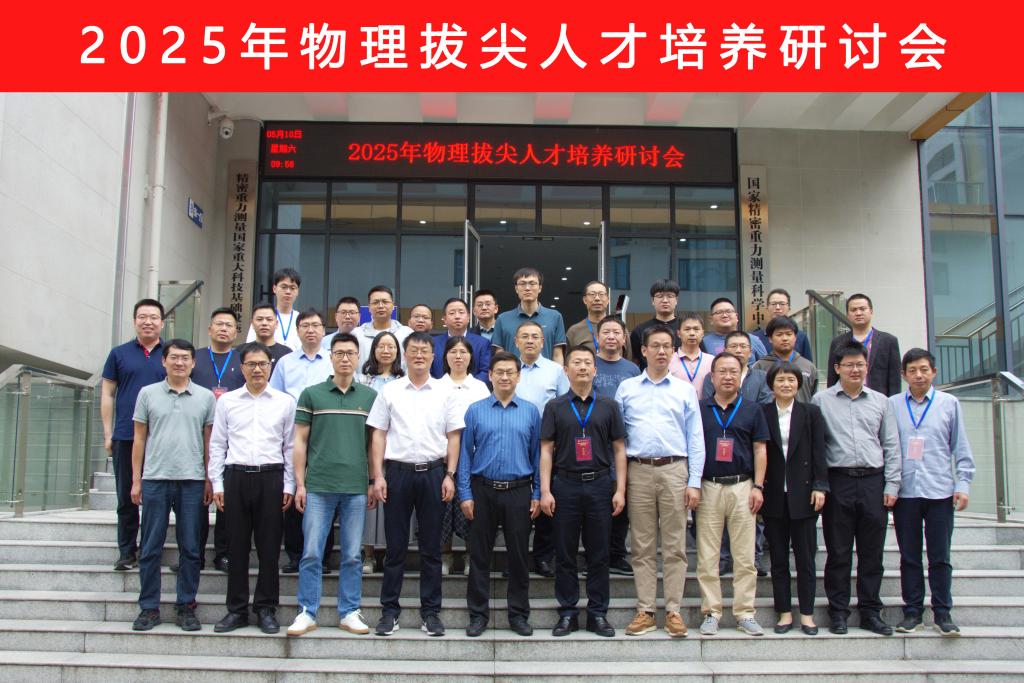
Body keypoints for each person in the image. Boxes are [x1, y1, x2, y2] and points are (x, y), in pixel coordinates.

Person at [366, 332, 464, 637]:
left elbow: (454, 436)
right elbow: (378, 434)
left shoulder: (445, 392)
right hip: (397, 474)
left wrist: (450, 475)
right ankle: (389, 612)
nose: (419, 355)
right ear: (404, 355)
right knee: (395, 547)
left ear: (433, 356)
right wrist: (377, 476)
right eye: (413, 350)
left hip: (434, 474)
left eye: (425, 351)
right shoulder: (390, 391)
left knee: (432, 549)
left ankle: (431, 613)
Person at [615, 325, 705, 638]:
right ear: (644, 351)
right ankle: (646, 611)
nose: (662, 351)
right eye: (655, 346)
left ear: (673, 351)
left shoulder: (684, 390)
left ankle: (674, 611)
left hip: (675, 470)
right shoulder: (627, 388)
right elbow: (618, 439)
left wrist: (694, 480)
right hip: (638, 469)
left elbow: (696, 438)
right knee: (641, 545)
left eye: (667, 346)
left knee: (675, 546)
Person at [286, 333, 378, 637]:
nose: (345, 358)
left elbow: (373, 444)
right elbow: (300, 441)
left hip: (355, 488)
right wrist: (300, 484)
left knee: (352, 555)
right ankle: (307, 611)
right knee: (312, 553)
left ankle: (349, 611)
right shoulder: (312, 394)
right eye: (339, 353)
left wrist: (373, 480)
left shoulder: (369, 396)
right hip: (318, 486)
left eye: (351, 353)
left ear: (358, 357)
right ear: (331, 357)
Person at [812, 341, 900, 636]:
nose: (855, 370)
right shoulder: (820, 401)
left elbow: (891, 444)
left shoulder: (881, 402)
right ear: (837, 368)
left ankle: (870, 612)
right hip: (838, 481)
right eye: (849, 365)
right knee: (838, 552)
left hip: (873, 481)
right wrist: (820, 484)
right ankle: (838, 612)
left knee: (872, 552)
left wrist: (892, 484)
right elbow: (816, 447)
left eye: (860, 364)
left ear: (867, 367)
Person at [208, 342, 297, 634]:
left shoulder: (284, 402)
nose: (257, 369)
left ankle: (266, 608)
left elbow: (290, 446)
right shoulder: (227, 401)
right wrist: (217, 483)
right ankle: (236, 610)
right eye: (251, 364)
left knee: (269, 549)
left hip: (271, 478)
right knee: (237, 548)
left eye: (262, 364)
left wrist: (289, 484)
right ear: (242, 367)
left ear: (271, 367)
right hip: (235, 478)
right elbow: (217, 444)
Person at [129, 339, 216, 632]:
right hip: (155, 479)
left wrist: (209, 479)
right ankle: (148, 608)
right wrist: (136, 479)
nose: (179, 363)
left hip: (192, 480)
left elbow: (209, 442)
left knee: (190, 548)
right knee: (150, 547)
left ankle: (186, 606)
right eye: (174, 358)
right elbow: (139, 438)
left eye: (185, 358)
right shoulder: (147, 393)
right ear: (163, 361)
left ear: (193, 363)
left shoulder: (206, 397)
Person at [540, 346, 627, 638]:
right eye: (576, 362)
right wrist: (545, 490)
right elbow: (546, 450)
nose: (582, 367)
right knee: (564, 553)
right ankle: (567, 613)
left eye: (587, 363)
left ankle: (598, 614)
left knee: (599, 553)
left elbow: (619, 449)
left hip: (600, 485)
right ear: (566, 370)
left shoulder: (608, 406)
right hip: (565, 485)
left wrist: (620, 490)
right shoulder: (555, 406)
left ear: (595, 370)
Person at [890, 348, 975, 636]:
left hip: (940, 492)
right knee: (909, 556)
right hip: (906, 493)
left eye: (924, 369)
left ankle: (943, 612)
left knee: (940, 556)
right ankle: (912, 611)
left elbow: (960, 446)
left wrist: (963, 484)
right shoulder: (892, 405)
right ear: (904, 375)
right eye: (912, 370)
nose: (919, 375)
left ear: (934, 372)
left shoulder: (949, 404)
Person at [458, 351, 541, 638]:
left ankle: (518, 615)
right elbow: (465, 455)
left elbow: (537, 455)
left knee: (518, 557)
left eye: (510, 372)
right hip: (483, 490)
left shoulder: (531, 412)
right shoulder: (475, 410)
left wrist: (538, 492)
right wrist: (465, 493)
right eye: (499, 372)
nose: (505, 377)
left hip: (519, 491)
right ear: (490, 376)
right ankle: (478, 615)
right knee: (479, 556)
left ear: (518, 376)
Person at [695, 351, 769, 637]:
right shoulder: (700, 408)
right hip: (708, 487)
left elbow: (760, 449)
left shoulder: (752, 409)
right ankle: (711, 612)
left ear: (741, 376)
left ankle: (745, 612)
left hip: (742, 486)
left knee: (745, 556)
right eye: (722, 372)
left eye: (733, 372)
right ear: (712, 377)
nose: (728, 377)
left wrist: (758, 486)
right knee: (708, 556)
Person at [761, 362, 829, 636]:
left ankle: (808, 615)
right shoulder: (763, 413)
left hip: (804, 494)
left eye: (791, 379)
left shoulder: (810, 413)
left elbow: (820, 451)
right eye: (780, 380)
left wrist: (820, 485)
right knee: (778, 560)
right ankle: (785, 613)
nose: (786, 384)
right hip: (774, 495)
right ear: (772, 385)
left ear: (799, 384)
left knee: (805, 559)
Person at [101, 298, 167, 571]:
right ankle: (127, 552)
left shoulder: (171, 354)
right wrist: (108, 433)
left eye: (153, 317)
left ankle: (151, 549)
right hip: (126, 435)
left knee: (157, 498)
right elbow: (107, 394)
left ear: (162, 322)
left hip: (161, 437)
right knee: (126, 496)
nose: (148, 322)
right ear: (134, 320)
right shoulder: (119, 354)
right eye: (142, 317)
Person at [268, 309, 335, 574]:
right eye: (305, 325)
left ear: (323, 331)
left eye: (316, 325)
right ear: (297, 330)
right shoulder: (285, 363)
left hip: (325, 436)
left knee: (325, 495)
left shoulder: (332, 361)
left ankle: (323, 556)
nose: (310, 330)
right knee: (295, 491)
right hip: (293, 435)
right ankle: (295, 555)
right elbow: (275, 398)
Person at [189, 307, 245, 574]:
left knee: (226, 499)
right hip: (196, 434)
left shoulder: (242, 359)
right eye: (219, 324)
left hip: (232, 437)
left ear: (236, 332)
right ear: (210, 329)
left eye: (229, 325)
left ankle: (223, 553)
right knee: (197, 499)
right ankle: (194, 554)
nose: (224, 329)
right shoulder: (196, 358)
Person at [513, 320, 570, 577]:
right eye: (524, 336)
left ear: (543, 342)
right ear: (516, 342)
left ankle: (543, 556)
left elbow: (565, 405)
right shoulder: (509, 368)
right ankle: (517, 557)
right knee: (518, 503)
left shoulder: (555, 371)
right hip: (515, 443)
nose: (530, 341)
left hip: (548, 445)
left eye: (535, 336)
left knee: (547, 500)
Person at [438, 335, 491, 575]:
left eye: (463, 352)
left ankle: (471, 556)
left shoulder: (479, 387)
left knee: (471, 510)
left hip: (474, 459)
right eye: (453, 352)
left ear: (471, 357)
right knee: (443, 510)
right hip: (442, 459)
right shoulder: (436, 386)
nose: (458, 356)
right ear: (445, 356)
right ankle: (445, 556)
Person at [592, 316, 640, 576]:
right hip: (592, 443)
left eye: (616, 332)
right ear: (597, 337)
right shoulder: (589, 363)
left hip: (623, 444)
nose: (611, 336)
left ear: (624, 338)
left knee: (621, 501)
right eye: (606, 332)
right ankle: (594, 556)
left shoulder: (632, 369)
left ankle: (617, 554)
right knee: (596, 503)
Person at [356, 331, 404, 573]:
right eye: (381, 346)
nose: (386, 351)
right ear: (373, 350)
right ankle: (368, 555)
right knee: (370, 503)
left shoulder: (404, 380)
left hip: (397, 450)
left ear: (398, 352)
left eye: (391, 347)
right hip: (368, 448)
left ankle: (388, 553)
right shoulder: (363, 380)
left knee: (392, 505)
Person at [826, 293, 902, 397]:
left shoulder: (889, 341)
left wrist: (891, 403)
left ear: (871, 311)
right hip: (845, 399)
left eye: (862, 309)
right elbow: (832, 378)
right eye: (853, 310)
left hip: (878, 400)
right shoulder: (838, 343)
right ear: (847, 314)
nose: (858, 313)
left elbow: (895, 379)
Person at [491, 267, 567, 363]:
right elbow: (499, 355)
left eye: (532, 283)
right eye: (522, 284)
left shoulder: (555, 317)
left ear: (540, 288)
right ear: (516, 288)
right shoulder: (503, 319)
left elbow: (557, 354)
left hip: (546, 372)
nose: (527, 288)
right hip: (513, 372)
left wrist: (558, 373)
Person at [753, 316, 819, 403]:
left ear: (795, 337)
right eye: (779, 334)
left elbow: (814, 398)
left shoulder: (808, 367)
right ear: (770, 339)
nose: (785, 338)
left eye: (789, 334)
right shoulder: (760, 366)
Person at [566, 281, 633, 360]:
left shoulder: (620, 329)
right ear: (585, 300)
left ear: (608, 300)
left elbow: (628, 360)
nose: (597, 298)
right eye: (592, 294)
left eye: (601, 294)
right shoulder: (574, 331)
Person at [702, 331, 773, 405]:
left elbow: (766, 405)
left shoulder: (762, 376)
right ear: (725, 351)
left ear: (750, 352)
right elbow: (708, 405)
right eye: (733, 346)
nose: (738, 351)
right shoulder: (713, 376)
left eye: (743, 346)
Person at [431, 297, 492, 383]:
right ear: (444, 319)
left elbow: (485, 371)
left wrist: (466, 386)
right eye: (452, 313)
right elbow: (427, 371)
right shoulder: (433, 343)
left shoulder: (482, 343)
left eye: (461, 312)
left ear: (468, 317)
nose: (457, 316)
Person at [353, 285, 414, 369]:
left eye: (385, 302)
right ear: (369, 307)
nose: (380, 306)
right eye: (375, 302)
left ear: (393, 305)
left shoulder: (406, 333)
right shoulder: (356, 334)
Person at [629, 279, 681, 370]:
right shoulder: (640, 330)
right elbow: (633, 361)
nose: (665, 300)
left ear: (676, 300)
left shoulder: (686, 328)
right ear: (652, 300)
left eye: (670, 296)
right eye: (660, 296)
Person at [246, 268, 302, 351]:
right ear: (274, 289)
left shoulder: (301, 320)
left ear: (297, 291)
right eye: (284, 287)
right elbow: (249, 347)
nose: (288, 291)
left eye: (292, 288)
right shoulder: (262, 318)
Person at [751, 288, 813, 361]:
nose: (778, 307)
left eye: (782, 304)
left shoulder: (801, 336)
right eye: (773, 304)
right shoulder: (755, 338)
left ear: (789, 308)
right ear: (767, 308)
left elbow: (807, 364)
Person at [703, 298, 767, 362]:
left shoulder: (753, 340)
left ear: (736, 316)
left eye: (728, 311)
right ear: (711, 319)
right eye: (719, 312)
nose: (725, 315)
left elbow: (765, 365)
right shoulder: (703, 342)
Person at [669, 313, 715, 399]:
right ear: (678, 333)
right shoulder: (669, 360)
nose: (692, 333)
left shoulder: (712, 361)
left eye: (696, 329)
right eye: (687, 329)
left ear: (702, 333)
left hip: (705, 407)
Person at [249, 302, 293, 373]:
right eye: (259, 319)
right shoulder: (241, 351)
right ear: (252, 324)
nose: (264, 323)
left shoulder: (287, 353)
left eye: (269, 319)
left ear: (276, 324)